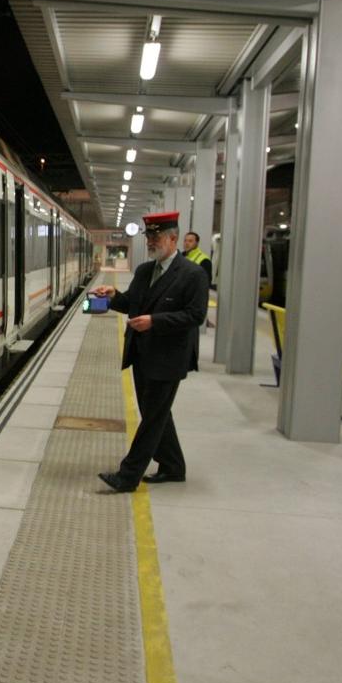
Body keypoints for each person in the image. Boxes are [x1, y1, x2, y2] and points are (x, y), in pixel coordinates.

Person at [90, 211, 208, 493]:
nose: (151, 242)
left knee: (153, 417)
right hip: (141, 352)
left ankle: (128, 476)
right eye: (148, 236)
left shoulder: (193, 274)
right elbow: (132, 303)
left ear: (173, 238)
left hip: (170, 356)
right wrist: (113, 297)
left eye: (156, 237)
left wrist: (155, 322)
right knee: (156, 412)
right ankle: (173, 466)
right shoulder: (145, 271)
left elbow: (195, 316)